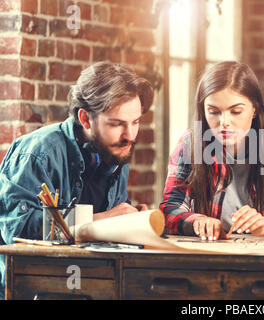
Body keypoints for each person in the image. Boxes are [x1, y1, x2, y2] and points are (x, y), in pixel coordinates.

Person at [0, 61, 154, 299]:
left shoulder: (115, 150)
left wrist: (130, 219)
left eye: (135, 122)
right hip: (31, 289)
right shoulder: (37, 152)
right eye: (117, 124)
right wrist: (100, 221)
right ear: (85, 119)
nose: (130, 136)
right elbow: (18, 230)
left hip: (89, 285)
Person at [160, 61, 264, 241]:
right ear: (203, 110)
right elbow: (170, 208)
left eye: (236, 111)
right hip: (207, 253)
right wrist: (197, 221)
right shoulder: (189, 145)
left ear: (254, 109)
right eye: (213, 111)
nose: (224, 122)